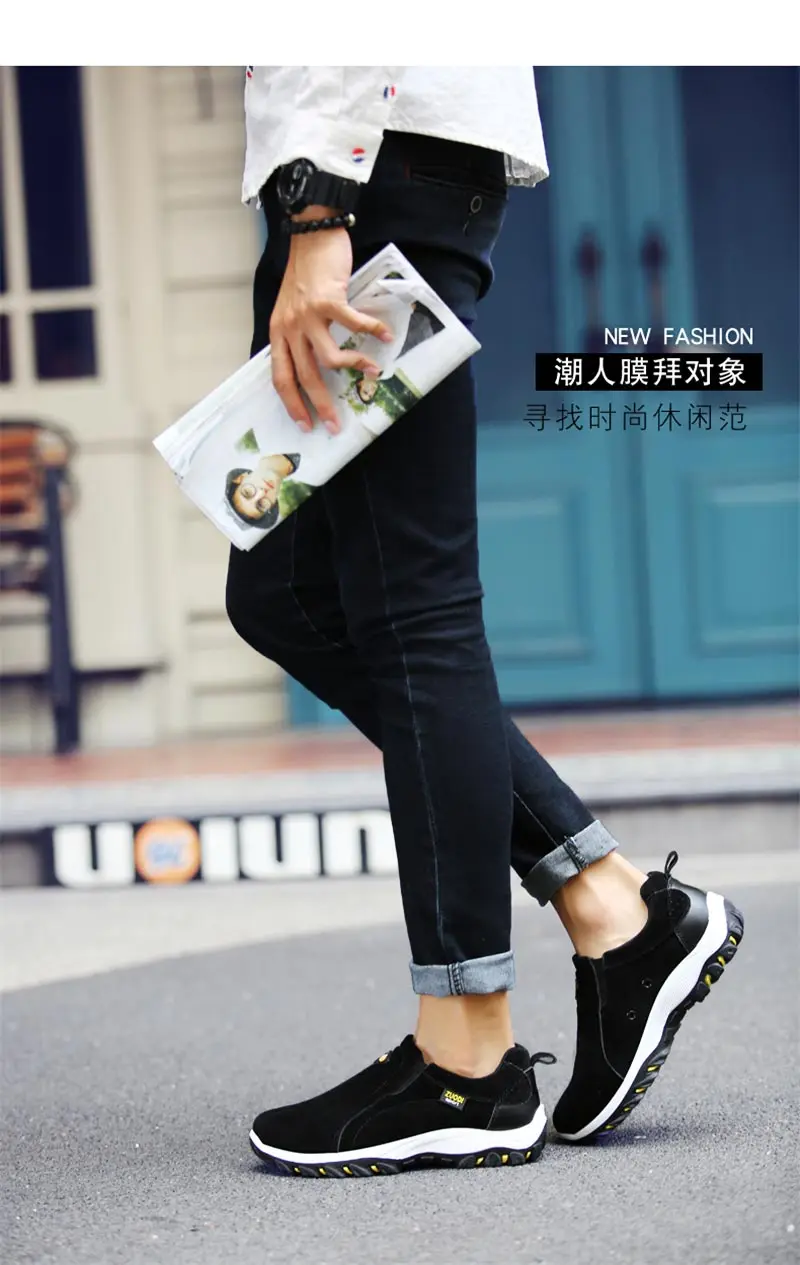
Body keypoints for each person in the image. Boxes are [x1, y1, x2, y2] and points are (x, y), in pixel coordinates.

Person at [227, 67, 744, 1178]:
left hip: (365, 174)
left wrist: (318, 209)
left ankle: (466, 1063)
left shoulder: (338, 199)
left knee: (412, 609)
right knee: (285, 593)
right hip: (380, 170)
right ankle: (612, 906)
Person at [224, 452, 313, 529]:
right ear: (273, 504)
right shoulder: (312, 477)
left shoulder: (263, 441)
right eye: (261, 505)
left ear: (241, 478)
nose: (262, 492)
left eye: (247, 492)